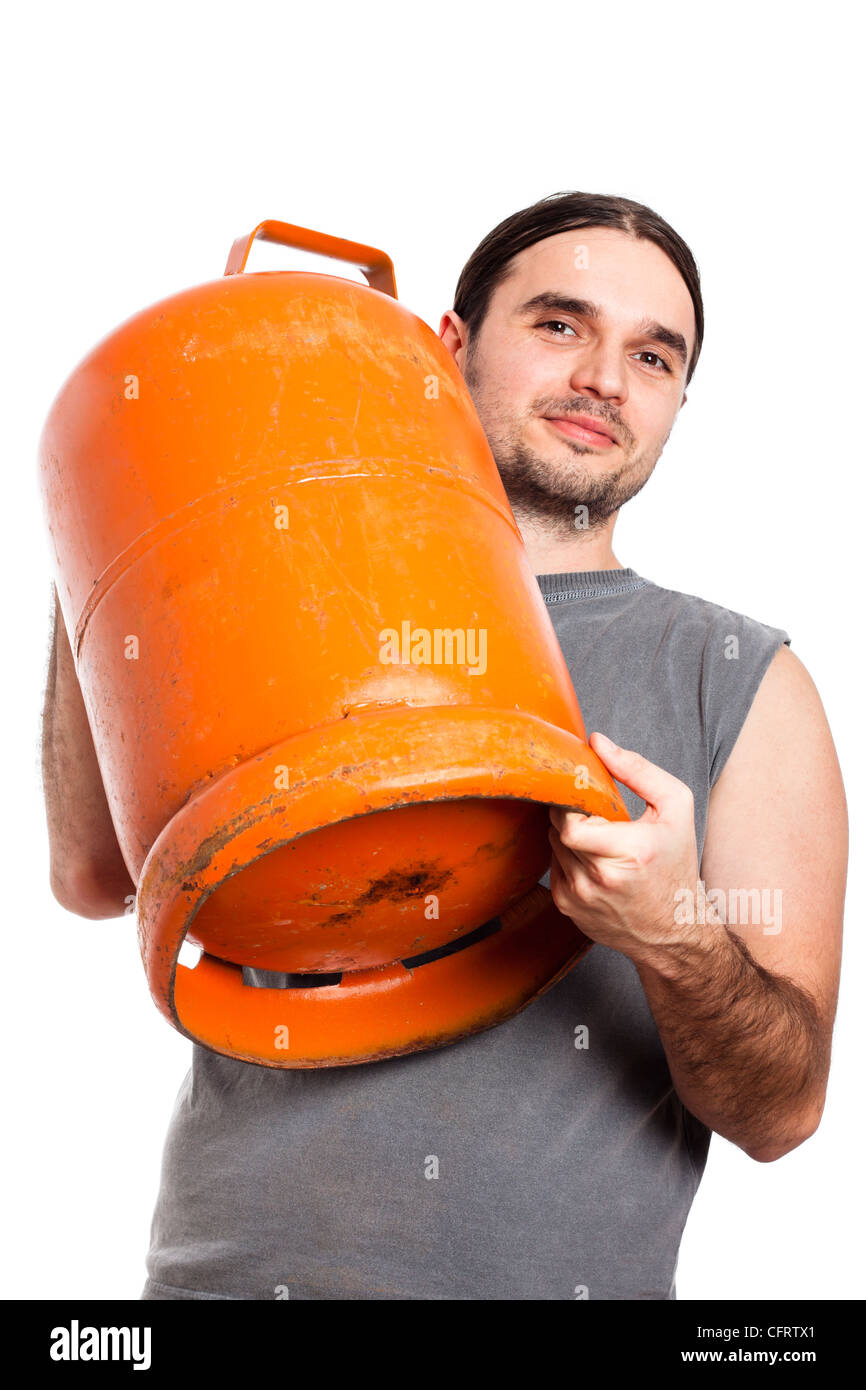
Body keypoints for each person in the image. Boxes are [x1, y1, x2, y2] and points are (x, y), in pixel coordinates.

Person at [42, 191, 847, 1301]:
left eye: (652, 356)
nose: (604, 380)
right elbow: (94, 875)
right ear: (445, 347)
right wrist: (120, 512)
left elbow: (782, 1111)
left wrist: (675, 933)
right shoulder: (283, 585)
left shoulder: (736, 676)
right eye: (559, 325)